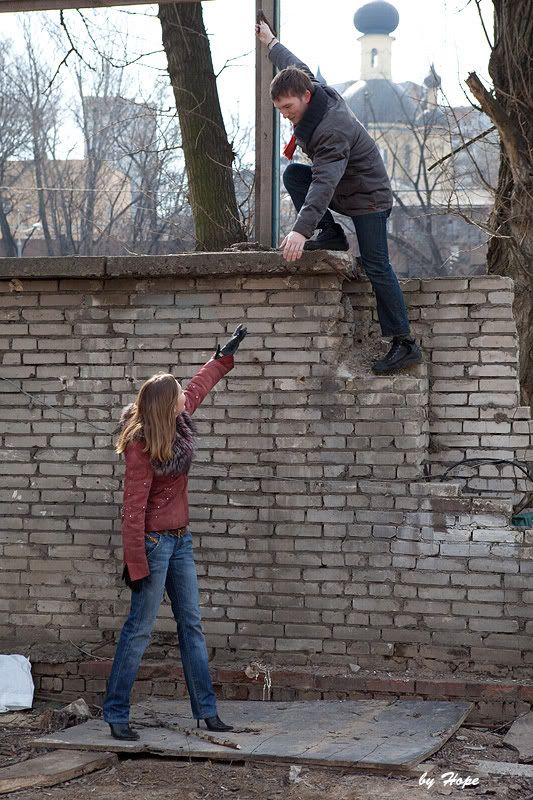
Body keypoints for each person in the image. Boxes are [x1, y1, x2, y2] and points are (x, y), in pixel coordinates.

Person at [102, 324, 248, 741]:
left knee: (192, 625)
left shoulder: (177, 422)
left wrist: (221, 357)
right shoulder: (141, 444)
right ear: (166, 406)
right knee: (139, 630)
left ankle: (207, 711)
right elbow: (133, 510)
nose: (186, 395)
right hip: (153, 544)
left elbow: (199, 386)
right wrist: (136, 564)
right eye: (178, 394)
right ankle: (116, 713)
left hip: (180, 541)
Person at [255, 19, 423, 375]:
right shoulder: (310, 87)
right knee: (293, 173)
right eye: (280, 109)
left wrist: (300, 231)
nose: (286, 115)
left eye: (288, 108)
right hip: (347, 189)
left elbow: (323, 184)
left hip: (369, 198)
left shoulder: (331, 129)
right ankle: (332, 234)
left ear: (306, 97)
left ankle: (405, 343)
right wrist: (271, 42)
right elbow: (291, 63)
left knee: (377, 264)